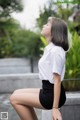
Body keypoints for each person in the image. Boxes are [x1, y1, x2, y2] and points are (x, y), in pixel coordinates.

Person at [9, 16, 69, 120]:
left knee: (14, 99)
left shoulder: (56, 51)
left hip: (51, 95)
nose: (43, 25)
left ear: (54, 30)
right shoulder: (50, 49)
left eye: (47, 24)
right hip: (47, 89)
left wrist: (54, 108)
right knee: (16, 93)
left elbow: (57, 80)